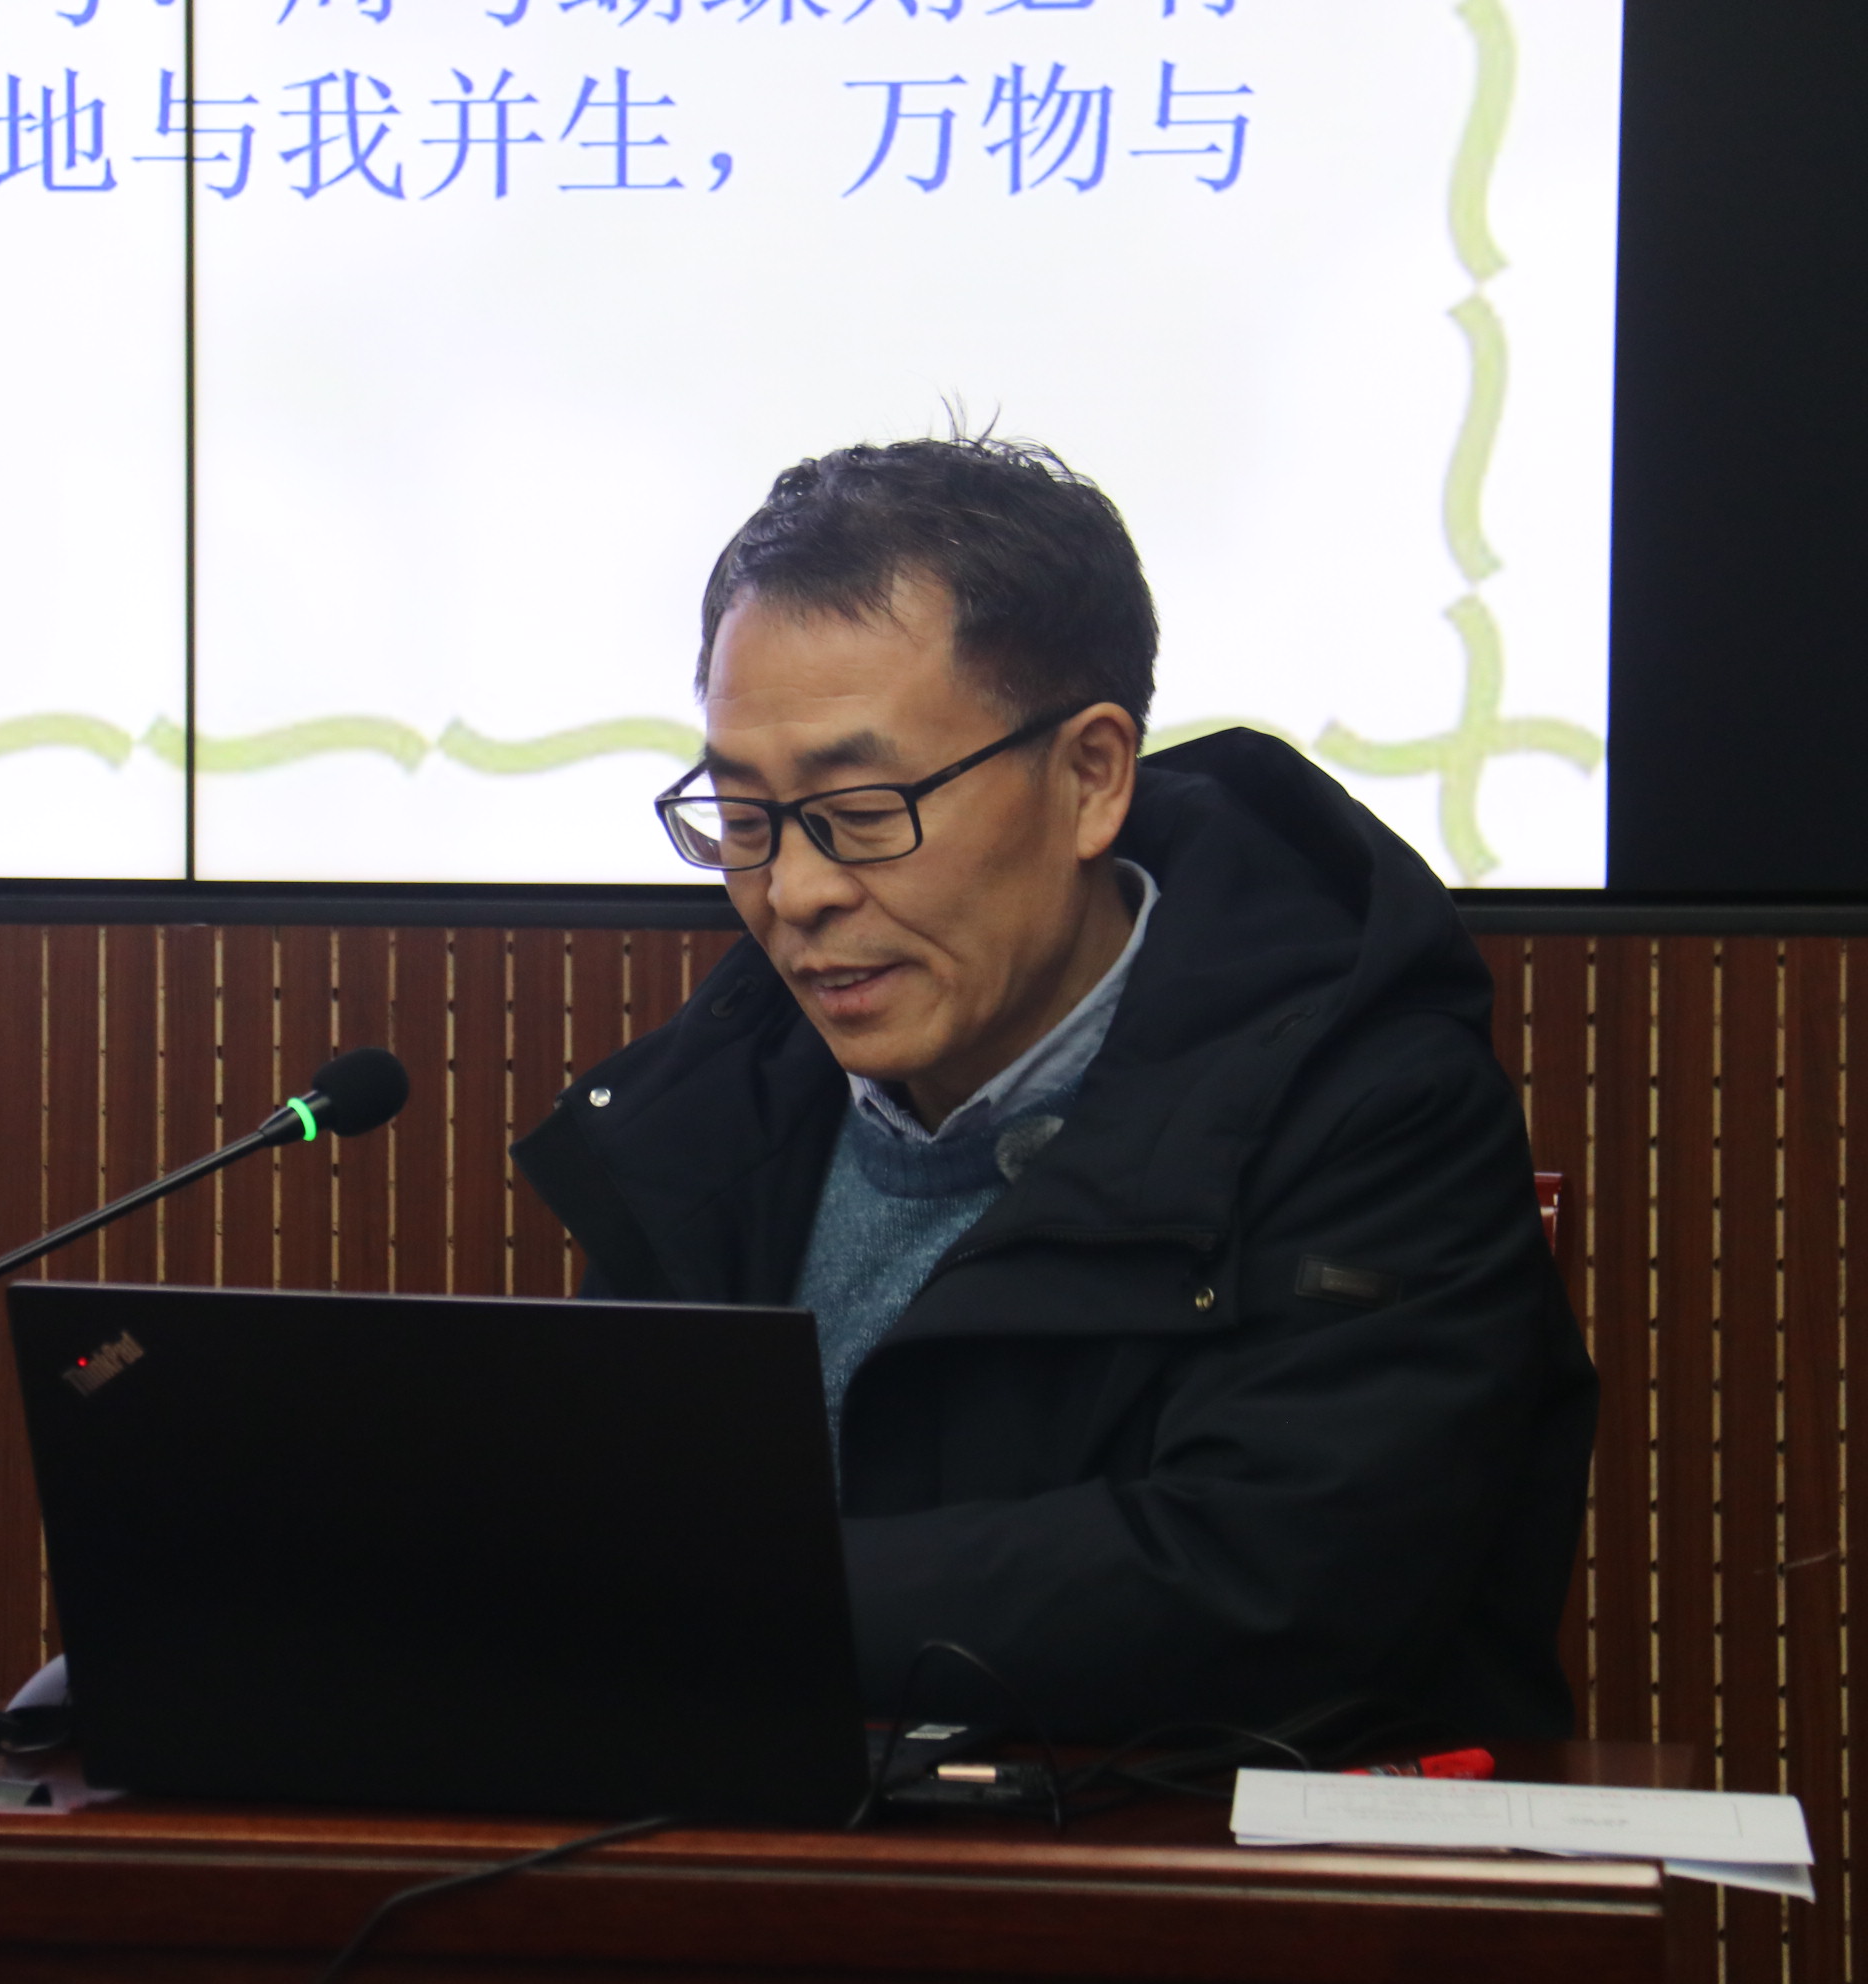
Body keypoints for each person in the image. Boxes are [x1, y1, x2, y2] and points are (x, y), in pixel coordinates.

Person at [511, 437, 1596, 1744]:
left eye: (864, 812)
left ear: (1090, 777)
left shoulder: (1370, 1104)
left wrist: (720, 1603)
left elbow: (1279, 1582)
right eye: (743, 821)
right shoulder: (712, 1112)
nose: (794, 892)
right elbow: (604, 1543)